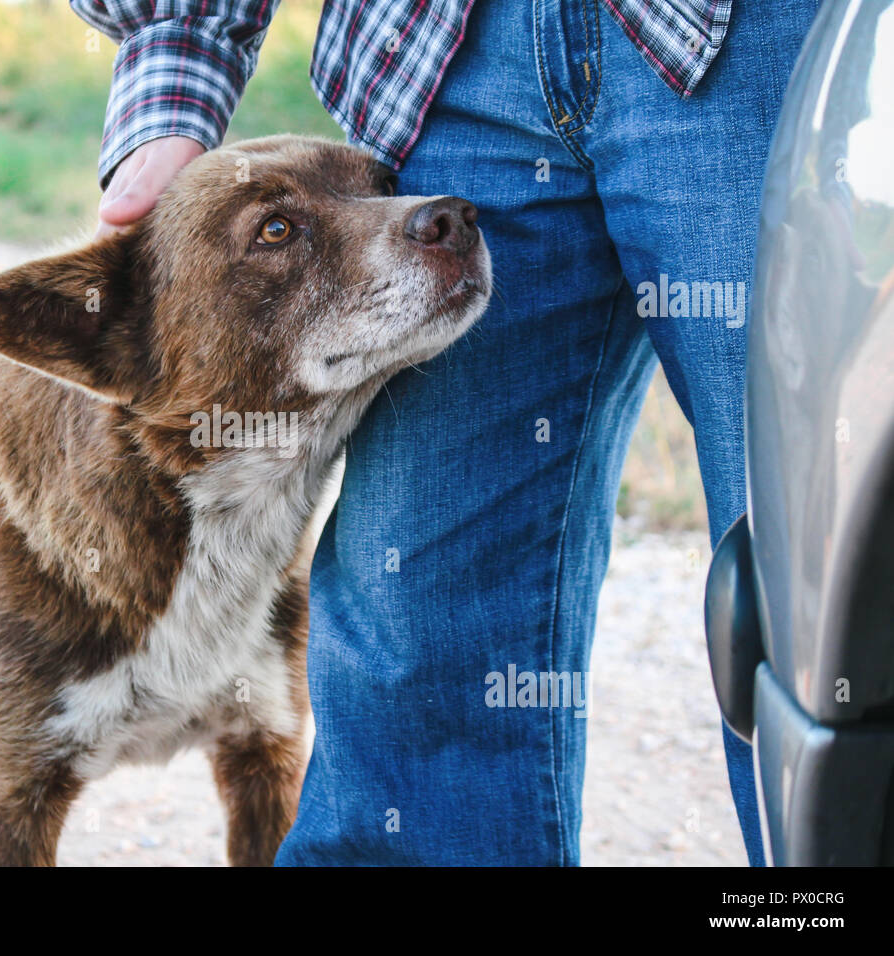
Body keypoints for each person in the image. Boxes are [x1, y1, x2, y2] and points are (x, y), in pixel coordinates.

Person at [72, 0, 820, 865]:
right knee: (418, 614)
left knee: (821, 594)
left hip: (760, 41)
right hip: (445, 57)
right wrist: (178, 51)